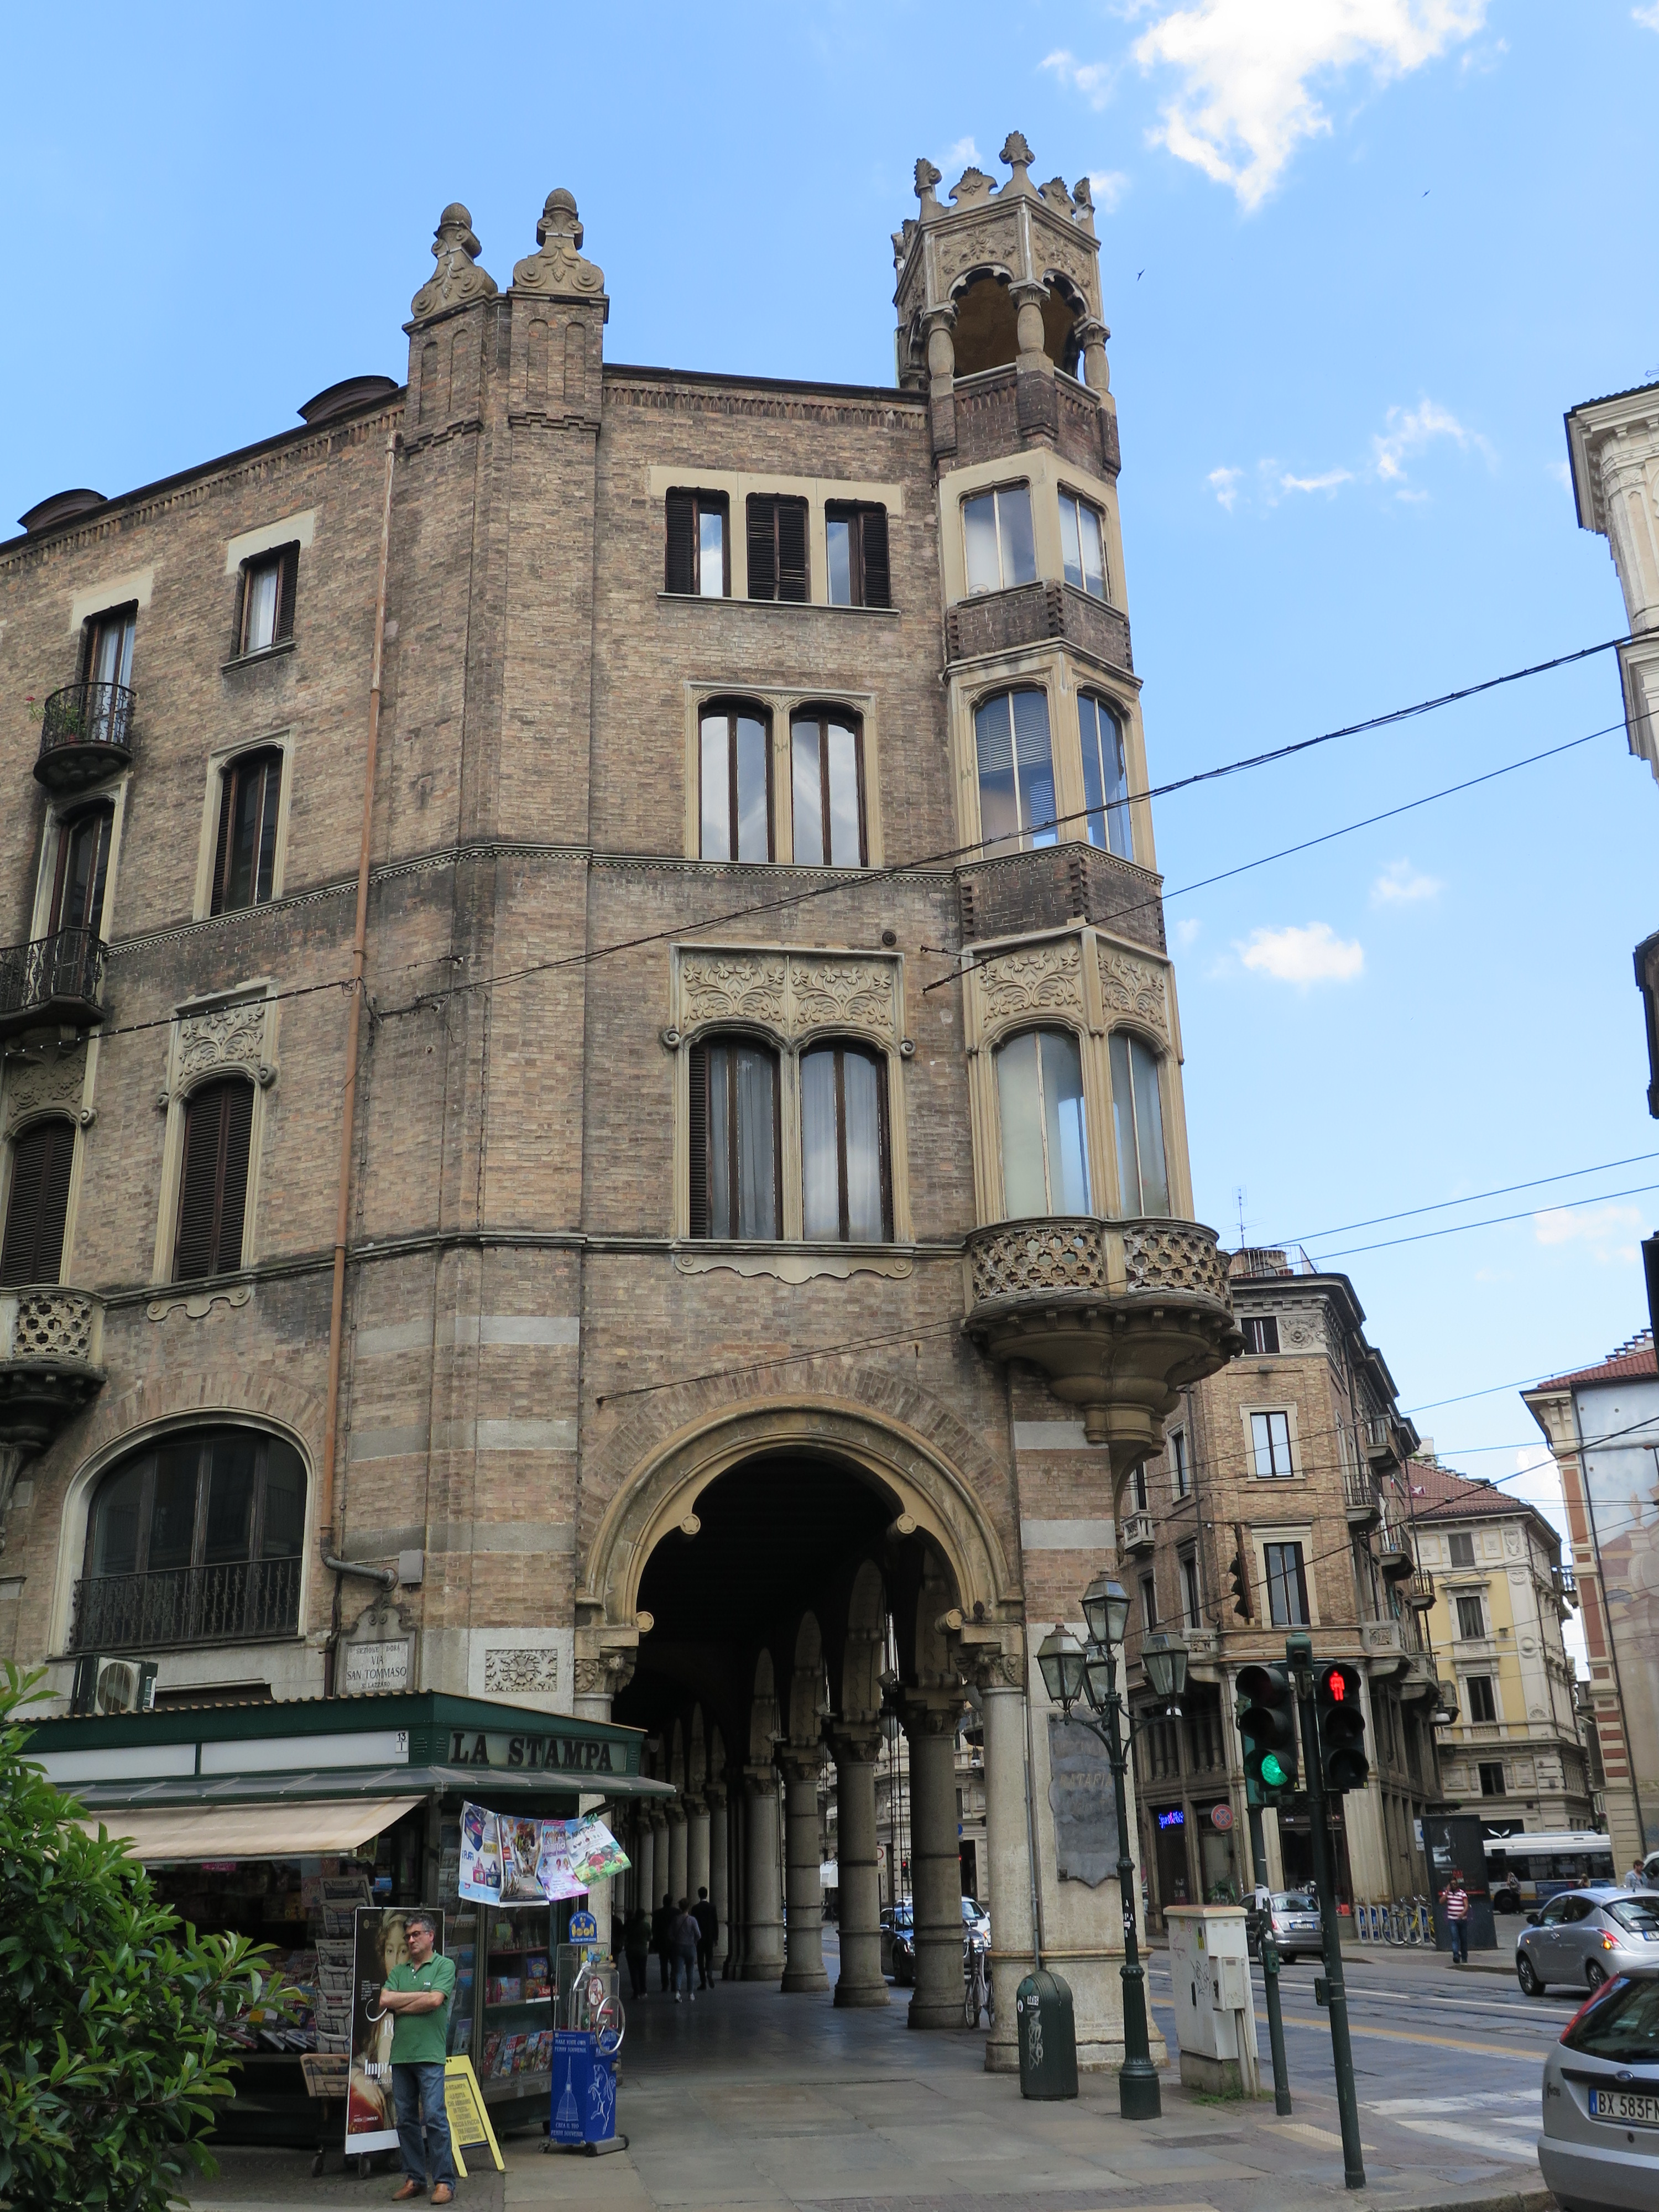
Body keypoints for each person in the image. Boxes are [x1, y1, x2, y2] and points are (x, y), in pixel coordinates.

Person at [380, 1910, 457, 2205]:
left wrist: (402, 2005)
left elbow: (436, 2000)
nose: (411, 1940)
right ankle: (415, 2178)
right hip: (401, 2056)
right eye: (408, 1936)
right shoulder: (400, 1971)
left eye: (416, 1935)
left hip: (430, 2055)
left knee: (435, 2117)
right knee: (406, 2121)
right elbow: (385, 2000)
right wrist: (420, 1999)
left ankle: (444, 2182)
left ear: (431, 1936)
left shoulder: (444, 1966)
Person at [670, 1897, 700, 2002]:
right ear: (689, 1907)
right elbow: (698, 1935)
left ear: (680, 1907)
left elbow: (670, 1934)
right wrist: (695, 1941)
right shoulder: (692, 1920)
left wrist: (676, 1939)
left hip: (679, 1947)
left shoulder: (676, 1919)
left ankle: (677, 1993)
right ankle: (691, 1994)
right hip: (690, 1947)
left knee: (678, 1971)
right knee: (690, 1971)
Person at [692, 1884, 718, 1990]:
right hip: (710, 1937)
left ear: (699, 1895)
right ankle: (710, 1973)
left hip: (699, 1938)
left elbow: (693, 1924)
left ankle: (703, 1982)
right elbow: (715, 1923)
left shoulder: (695, 1908)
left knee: (700, 1959)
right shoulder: (712, 1907)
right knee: (710, 1957)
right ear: (707, 1895)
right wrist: (716, 1938)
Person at [1442, 1872, 1470, 1966]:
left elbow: (1466, 1905)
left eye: (1455, 1884)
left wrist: (1463, 1913)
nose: (1454, 1885)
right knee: (1455, 1938)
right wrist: (1447, 1892)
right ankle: (1456, 1955)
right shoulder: (1448, 1893)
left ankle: (1464, 1957)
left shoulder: (1462, 1893)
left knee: (1463, 1939)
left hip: (1462, 1920)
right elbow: (1441, 1901)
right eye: (1452, 1884)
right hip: (1452, 1920)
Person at [623, 1904, 651, 1999]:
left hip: (631, 1951)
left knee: (633, 1972)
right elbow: (650, 1937)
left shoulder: (631, 1925)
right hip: (643, 1951)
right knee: (642, 1971)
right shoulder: (646, 1925)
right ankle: (643, 1991)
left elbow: (625, 1936)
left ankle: (636, 1992)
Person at [652, 1892, 674, 1993]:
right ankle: (674, 1982)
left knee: (664, 1965)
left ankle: (665, 1985)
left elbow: (654, 1929)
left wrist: (654, 1943)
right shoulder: (677, 1912)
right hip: (674, 1943)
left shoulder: (657, 1913)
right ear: (672, 1902)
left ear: (663, 1902)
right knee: (674, 1964)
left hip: (662, 1943)